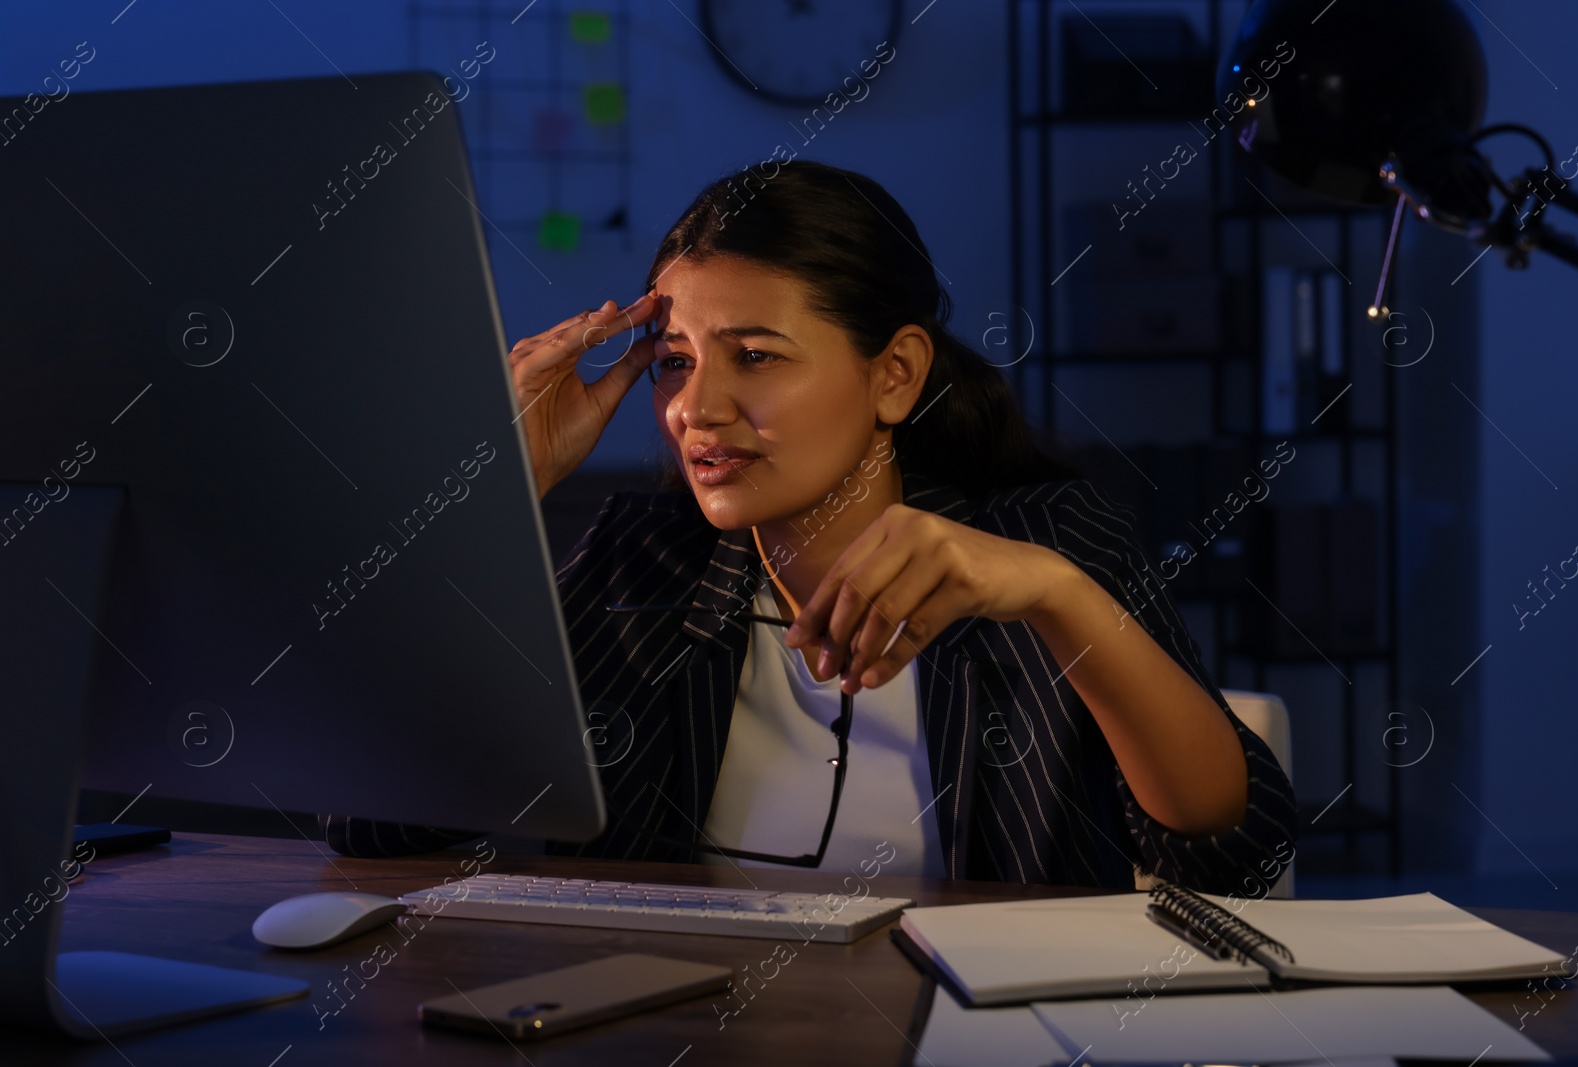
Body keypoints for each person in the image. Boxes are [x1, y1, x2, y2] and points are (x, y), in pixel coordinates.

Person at [320, 160, 1296, 893]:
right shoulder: (642, 563)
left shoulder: (1041, 538)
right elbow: (372, 823)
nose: (694, 409)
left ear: (894, 374)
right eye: (672, 359)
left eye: (754, 356)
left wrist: (1054, 590)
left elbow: (1229, 846)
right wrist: (488, 497)